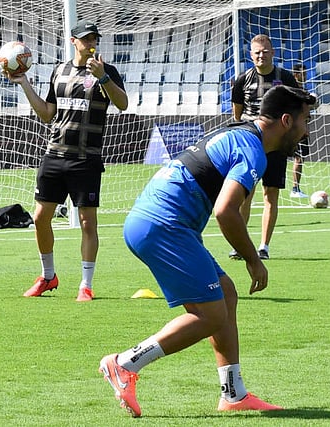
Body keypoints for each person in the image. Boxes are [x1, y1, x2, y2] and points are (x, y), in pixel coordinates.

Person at [99, 84, 315, 417]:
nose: (306, 130)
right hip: (164, 224)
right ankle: (125, 363)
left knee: (225, 294)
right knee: (211, 315)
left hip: (157, 221)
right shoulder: (252, 148)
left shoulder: (240, 133)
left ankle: (233, 394)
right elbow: (226, 211)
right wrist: (254, 261)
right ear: (286, 120)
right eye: (304, 121)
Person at [7, 19, 128, 302]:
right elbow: (48, 113)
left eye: (94, 38)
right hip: (55, 155)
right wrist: (24, 83)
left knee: (87, 223)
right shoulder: (59, 71)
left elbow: (122, 104)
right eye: (85, 39)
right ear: (73, 41)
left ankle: (86, 285)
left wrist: (103, 78)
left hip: (86, 159)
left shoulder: (107, 71)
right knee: (39, 218)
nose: (91, 43)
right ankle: (48, 276)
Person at [229, 34, 302, 260]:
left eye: (265, 51)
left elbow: (298, 107)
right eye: (257, 52)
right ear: (251, 55)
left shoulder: (286, 78)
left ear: (273, 52)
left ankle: (264, 247)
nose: (261, 55)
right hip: (252, 145)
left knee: (271, 194)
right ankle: (240, 246)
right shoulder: (242, 80)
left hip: (277, 146)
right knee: (245, 194)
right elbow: (237, 114)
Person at [289, 62, 310, 198]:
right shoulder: (296, 91)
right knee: (298, 158)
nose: (306, 76)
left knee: (299, 158)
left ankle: (296, 188)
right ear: (296, 75)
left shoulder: (302, 89)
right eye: (304, 73)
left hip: (300, 128)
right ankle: (295, 189)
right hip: (297, 130)